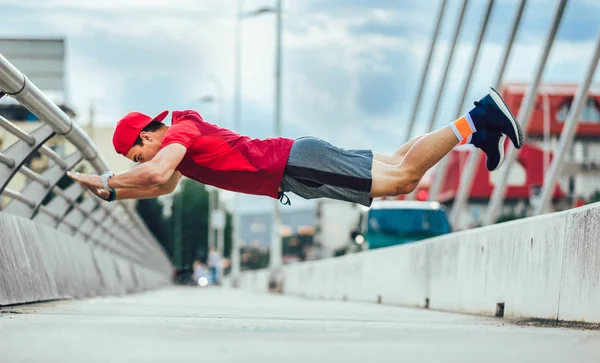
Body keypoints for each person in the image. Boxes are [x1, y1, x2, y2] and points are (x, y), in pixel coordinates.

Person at [67, 88, 522, 209]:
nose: (139, 162)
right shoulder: (183, 144)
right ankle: (477, 132)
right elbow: (161, 188)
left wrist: (107, 181)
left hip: (294, 165)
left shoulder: (180, 136)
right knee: (396, 163)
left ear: (146, 136)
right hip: (296, 161)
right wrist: (115, 193)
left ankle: (478, 118)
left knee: (403, 179)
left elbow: (154, 176)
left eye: (134, 154)